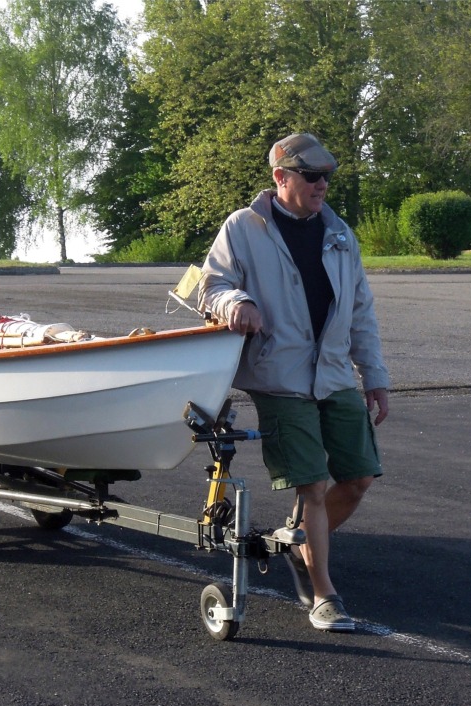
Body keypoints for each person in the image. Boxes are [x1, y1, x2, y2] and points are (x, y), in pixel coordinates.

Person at [199, 132, 390, 632]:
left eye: (327, 176)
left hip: (333, 375)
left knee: (359, 477)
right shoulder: (244, 227)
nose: (322, 184)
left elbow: (361, 312)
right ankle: (323, 593)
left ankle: (300, 540)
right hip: (279, 376)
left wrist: (375, 377)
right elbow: (211, 285)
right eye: (311, 176)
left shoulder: (339, 233)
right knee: (312, 484)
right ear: (281, 177)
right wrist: (235, 303)